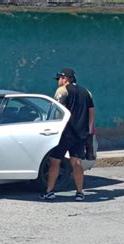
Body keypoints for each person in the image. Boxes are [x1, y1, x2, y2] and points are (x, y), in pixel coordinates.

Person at [40, 67, 95, 201]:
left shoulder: (62, 91)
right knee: (77, 163)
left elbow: (59, 111)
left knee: (55, 162)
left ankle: (49, 191)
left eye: (60, 78)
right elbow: (91, 112)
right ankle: (80, 193)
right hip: (80, 134)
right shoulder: (86, 92)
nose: (58, 80)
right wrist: (89, 130)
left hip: (64, 133)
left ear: (66, 79)